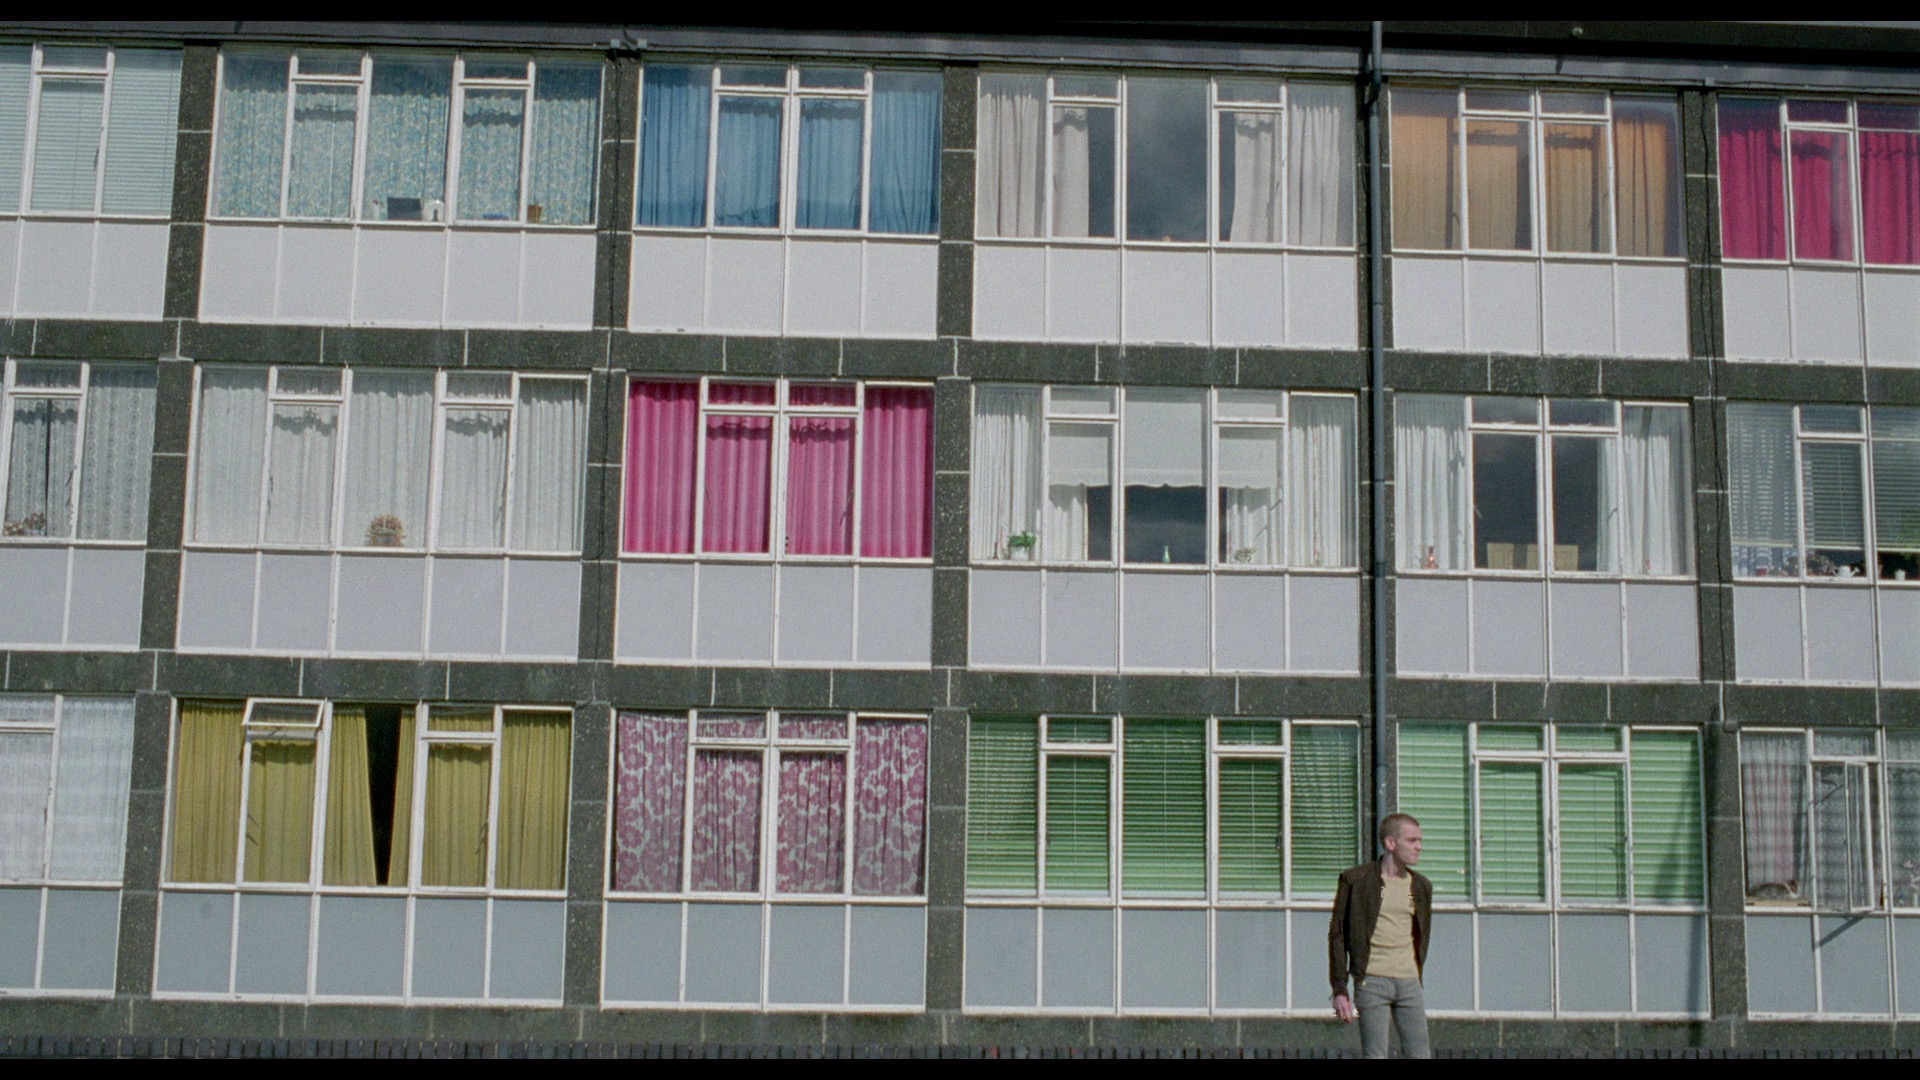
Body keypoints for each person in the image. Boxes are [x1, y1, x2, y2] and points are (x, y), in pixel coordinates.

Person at [1328, 812, 1432, 1058]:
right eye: (1412, 840)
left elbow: (1420, 934)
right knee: (1375, 1054)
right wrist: (1340, 989)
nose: (1420, 847)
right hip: (1372, 981)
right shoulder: (1355, 881)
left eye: (1420, 840)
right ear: (1390, 843)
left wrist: (1416, 975)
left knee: (1420, 1054)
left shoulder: (1420, 886)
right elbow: (1337, 936)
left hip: (1410, 982)